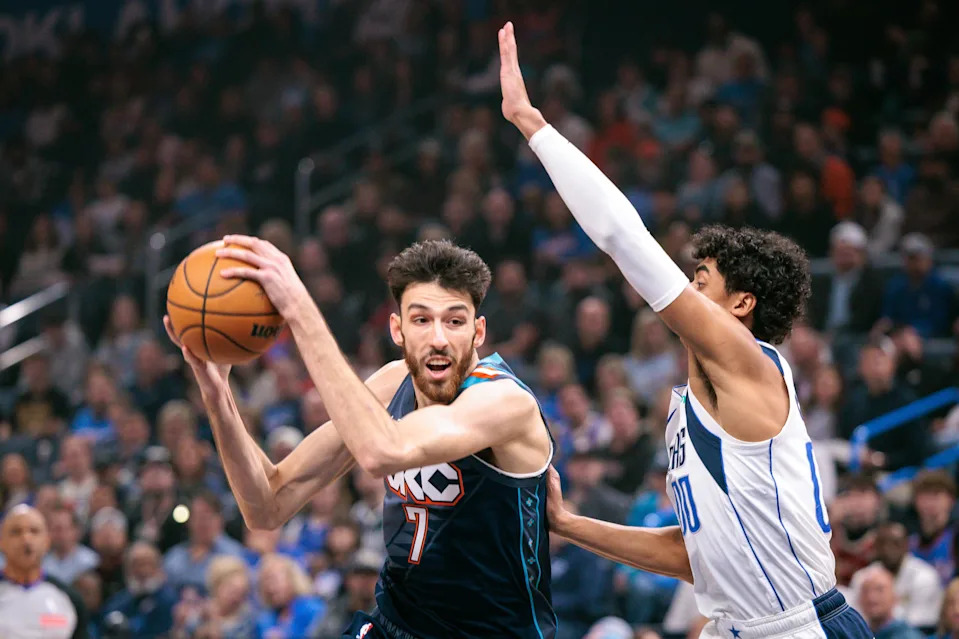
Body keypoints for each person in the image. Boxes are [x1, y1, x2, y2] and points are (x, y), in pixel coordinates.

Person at [496, 21, 870, 639]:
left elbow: (624, 239)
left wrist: (533, 125)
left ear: (742, 303)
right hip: (736, 625)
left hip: (801, 627)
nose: (688, 289)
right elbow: (695, 556)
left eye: (703, 279)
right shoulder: (691, 405)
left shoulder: (754, 364)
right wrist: (567, 523)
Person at [163, 238, 555, 638]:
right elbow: (267, 504)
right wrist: (217, 395)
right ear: (397, 329)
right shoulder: (391, 383)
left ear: (478, 332)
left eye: (455, 321)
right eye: (421, 320)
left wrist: (299, 309)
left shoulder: (504, 401)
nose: (439, 337)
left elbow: (383, 451)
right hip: (393, 626)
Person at [0, 505, 88, 638]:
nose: (26, 539)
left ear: (47, 541)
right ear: (2, 542)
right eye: (16, 532)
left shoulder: (70, 599)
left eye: (34, 531)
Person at [849, 522, 943, 632]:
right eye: (883, 544)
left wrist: (882, 613)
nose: (888, 549)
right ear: (875, 547)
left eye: (896, 543)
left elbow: (920, 621)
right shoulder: (863, 577)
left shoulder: (925, 576)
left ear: (906, 545)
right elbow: (855, 618)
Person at [856, 565, 926, 639]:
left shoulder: (908, 636)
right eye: (865, 591)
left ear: (895, 597)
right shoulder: (856, 634)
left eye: (880, 590)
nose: (871, 597)